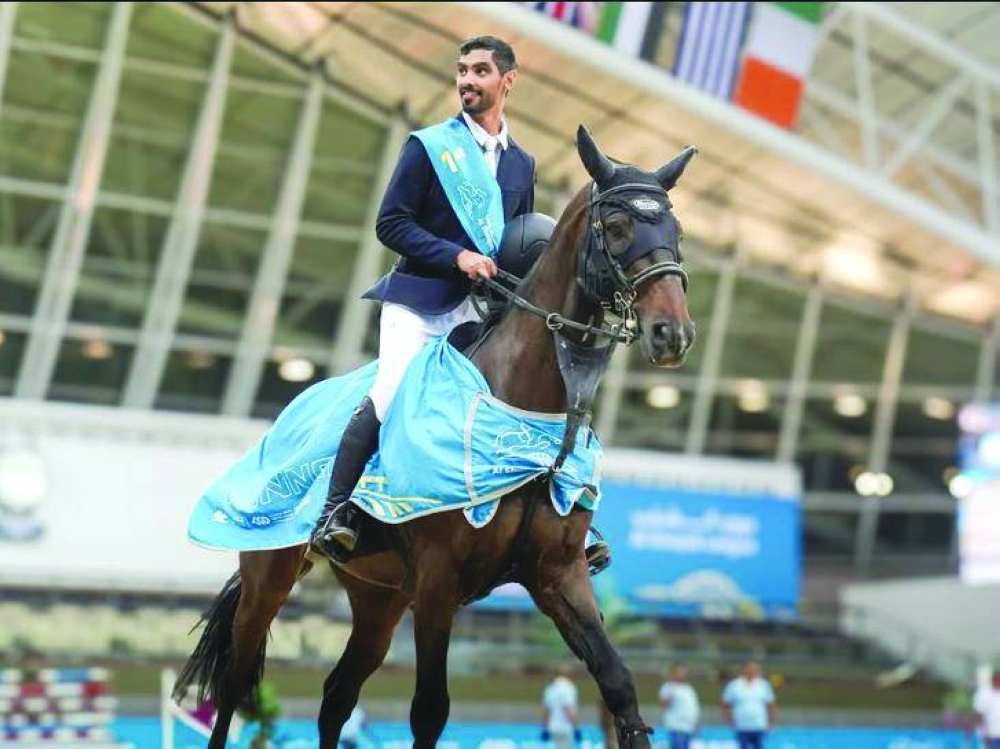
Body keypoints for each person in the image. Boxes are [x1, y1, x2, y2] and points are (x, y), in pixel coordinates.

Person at [310, 34, 535, 560]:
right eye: (461, 71)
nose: (466, 81)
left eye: (480, 71)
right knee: (390, 393)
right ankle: (335, 512)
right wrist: (456, 257)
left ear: (508, 81)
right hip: (417, 302)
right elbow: (391, 223)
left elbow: (517, 240)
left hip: (479, 312)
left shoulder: (522, 164)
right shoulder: (429, 145)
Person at [721, 661, 776, 749]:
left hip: (759, 725)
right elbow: (725, 704)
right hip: (741, 726)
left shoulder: (763, 685)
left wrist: (772, 722)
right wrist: (729, 720)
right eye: (751, 668)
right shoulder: (734, 685)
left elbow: (770, 705)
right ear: (744, 669)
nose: (754, 671)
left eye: (756, 669)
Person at [659, 664, 699, 749]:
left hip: (688, 727)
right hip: (677, 727)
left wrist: (695, 722)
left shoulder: (688, 688)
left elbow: (693, 707)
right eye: (680, 672)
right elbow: (663, 703)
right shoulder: (668, 687)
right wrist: (670, 693)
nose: (682, 674)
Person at [542, 666, 579, 749]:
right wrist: (576, 727)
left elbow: (547, 711)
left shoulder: (550, 688)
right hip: (566, 727)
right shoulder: (569, 688)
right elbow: (568, 709)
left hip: (553, 726)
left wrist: (545, 728)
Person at [974, 671, 1000, 749]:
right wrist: (983, 732)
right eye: (996, 679)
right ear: (992, 680)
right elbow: (979, 714)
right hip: (991, 735)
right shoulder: (984, 693)